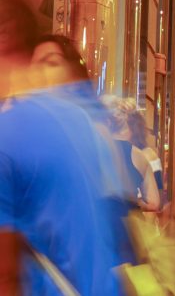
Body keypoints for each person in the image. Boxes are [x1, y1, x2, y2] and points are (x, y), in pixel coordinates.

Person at [0, 22, 125, 293]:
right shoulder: (17, 130)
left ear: (73, 73)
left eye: (51, 62)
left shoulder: (92, 133)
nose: (39, 72)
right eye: (35, 63)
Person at [105, 97, 161, 212]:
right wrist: (138, 203)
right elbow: (154, 203)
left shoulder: (94, 150)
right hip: (127, 223)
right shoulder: (139, 155)